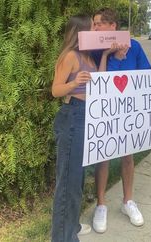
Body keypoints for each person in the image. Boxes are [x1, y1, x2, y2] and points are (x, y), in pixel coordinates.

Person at [92, 8, 151, 234]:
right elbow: (100, 83)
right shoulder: (98, 50)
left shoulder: (135, 47)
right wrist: (111, 57)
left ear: (112, 26)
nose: (96, 28)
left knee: (127, 156)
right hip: (107, 112)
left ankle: (128, 201)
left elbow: (146, 75)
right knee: (104, 156)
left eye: (99, 24)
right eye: (95, 24)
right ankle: (101, 204)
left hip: (129, 113)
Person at [51, 14, 112, 242]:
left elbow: (101, 81)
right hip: (73, 116)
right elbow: (55, 90)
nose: (96, 31)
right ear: (80, 33)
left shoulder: (89, 56)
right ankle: (64, 238)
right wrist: (75, 83)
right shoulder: (70, 56)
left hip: (88, 117)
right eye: (92, 28)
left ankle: (72, 226)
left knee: (76, 179)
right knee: (68, 183)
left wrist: (105, 55)